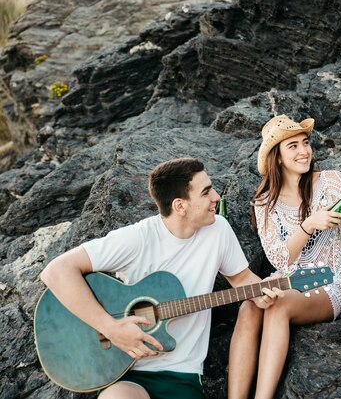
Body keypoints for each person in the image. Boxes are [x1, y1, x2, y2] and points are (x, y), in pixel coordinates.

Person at [40, 158, 283, 399]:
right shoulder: (138, 238)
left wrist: (264, 293)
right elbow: (55, 271)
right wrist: (110, 328)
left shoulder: (218, 230)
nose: (216, 197)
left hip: (183, 375)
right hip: (128, 371)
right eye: (206, 192)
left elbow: (241, 279)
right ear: (180, 206)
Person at [228, 114, 341, 399]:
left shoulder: (331, 181)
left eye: (305, 143)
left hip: (329, 282)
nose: (303, 151)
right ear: (277, 157)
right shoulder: (263, 201)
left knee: (279, 306)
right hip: (287, 278)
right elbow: (279, 260)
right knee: (248, 307)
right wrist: (307, 226)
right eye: (292, 146)